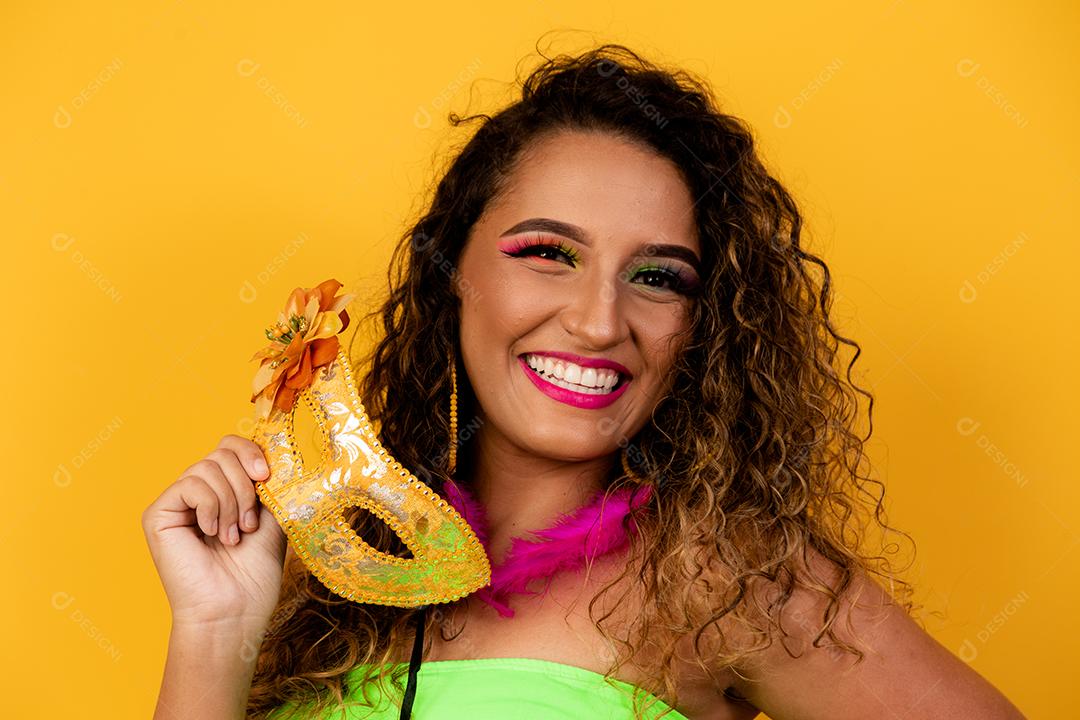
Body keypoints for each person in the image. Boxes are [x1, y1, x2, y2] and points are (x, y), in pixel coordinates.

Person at [141, 43, 1027, 719]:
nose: (601, 321)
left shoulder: (731, 580)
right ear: (453, 275)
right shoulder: (328, 585)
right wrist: (216, 630)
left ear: (701, 322)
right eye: (548, 255)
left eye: (659, 276)